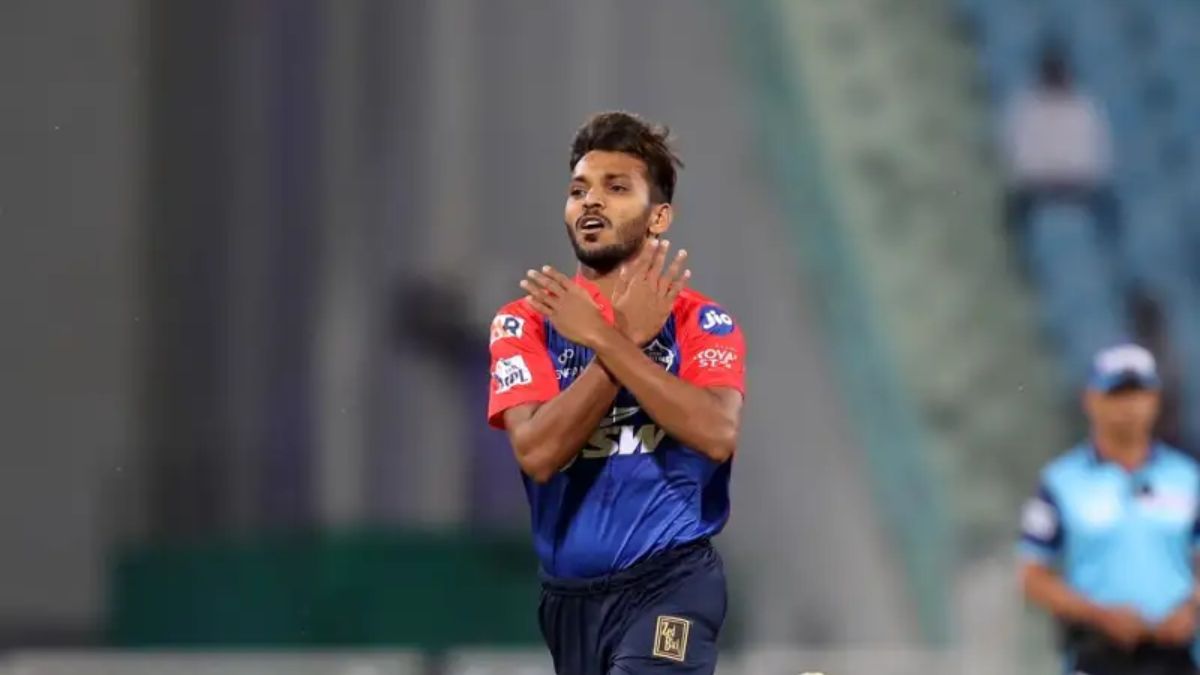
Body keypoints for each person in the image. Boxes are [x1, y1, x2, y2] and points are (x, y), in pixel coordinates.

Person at [486, 111, 746, 674]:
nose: (591, 202)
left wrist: (606, 339)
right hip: (569, 602)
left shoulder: (702, 322)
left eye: (616, 188)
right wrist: (623, 341)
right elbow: (538, 453)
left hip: (672, 583)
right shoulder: (524, 323)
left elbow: (716, 433)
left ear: (659, 217)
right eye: (579, 190)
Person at [1019, 344, 1200, 675]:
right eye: (1116, 394)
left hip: (1173, 655)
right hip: (1098, 654)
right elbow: (1033, 576)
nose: (1128, 407)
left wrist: (1191, 608)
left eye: (1138, 393)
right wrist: (1098, 614)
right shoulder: (1061, 482)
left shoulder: (1186, 478)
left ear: (1155, 399)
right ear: (1090, 399)